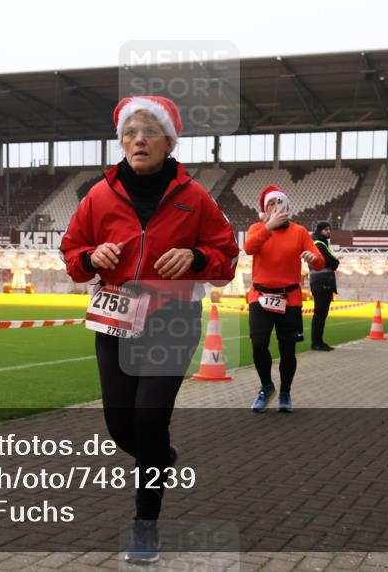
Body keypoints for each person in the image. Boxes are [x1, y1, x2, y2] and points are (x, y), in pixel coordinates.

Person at [60, 95, 238, 565]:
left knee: (148, 419)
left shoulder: (195, 197)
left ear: (168, 141)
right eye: (130, 132)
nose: (138, 140)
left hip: (172, 321)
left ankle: (146, 526)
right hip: (115, 320)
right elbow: (72, 254)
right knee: (121, 425)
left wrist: (197, 258)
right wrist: (90, 257)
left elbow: (226, 260)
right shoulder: (98, 195)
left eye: (149, 131)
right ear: (121, 140)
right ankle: (158, 457)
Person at [245, 185, 325, 413]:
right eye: (270, 204)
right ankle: (266, 386)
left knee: (287, 350)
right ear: (264, 209)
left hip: (289, 298)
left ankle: (286, 391)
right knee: (259, 343)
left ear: (288, 207)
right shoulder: (256, 228)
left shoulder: (299, 232)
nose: (275, 207)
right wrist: (268, 227)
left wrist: (313, 258)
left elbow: (319, 261)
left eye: (279, 203)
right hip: (260, 296)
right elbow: (249, 248)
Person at [309, 221, 341, 351]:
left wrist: (334, 261)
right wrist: (335, 261)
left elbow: (332, 262)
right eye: (326, 229)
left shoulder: (321, 243)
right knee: (320, 314)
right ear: (320, 230)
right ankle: (316, 342)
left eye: (329, 229)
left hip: (322, 283)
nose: (328, 232)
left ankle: (318, 341)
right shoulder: (318, 243)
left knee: (321, 314)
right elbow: (331, 262)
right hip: (321, 283)